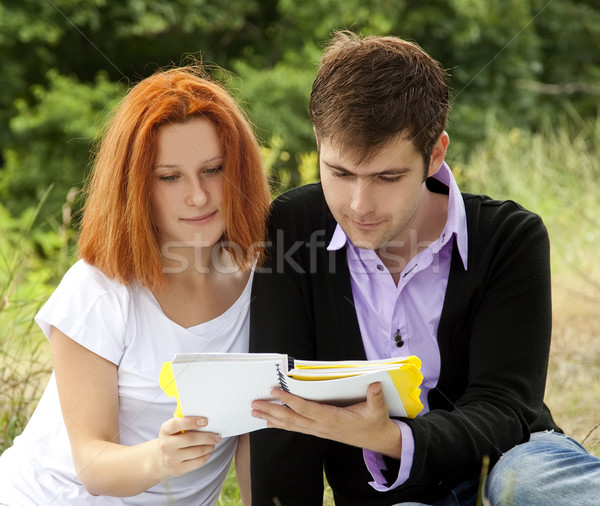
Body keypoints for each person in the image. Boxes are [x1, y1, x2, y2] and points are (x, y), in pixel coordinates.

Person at [248, 31, 600, 505]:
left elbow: (505, 409)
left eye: (387, 177)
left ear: (435, 154)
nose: (359, 205)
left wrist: (393, 438)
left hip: (514, 456)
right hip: (389, 495)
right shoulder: (291, 227)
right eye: (340, 172)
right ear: (317, 142)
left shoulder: (510, 237)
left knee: (530, 483)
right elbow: (282, 413)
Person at [0, 65, 270, 505]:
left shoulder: (264, 281)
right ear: (136, 188)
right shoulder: (99, 289)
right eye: (170, 177)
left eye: (213, 170)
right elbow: (93, 466)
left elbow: (257, 448)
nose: (198, 196)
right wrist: (161, 457)